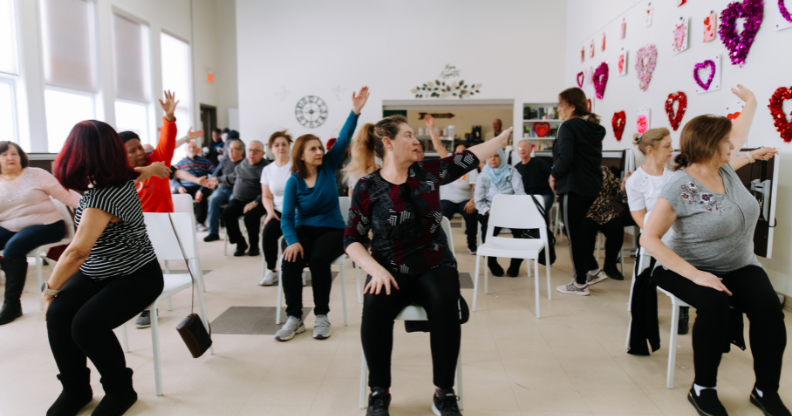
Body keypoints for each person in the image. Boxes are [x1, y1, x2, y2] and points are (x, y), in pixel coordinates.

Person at [345, 109, 513, 416]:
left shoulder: (428, 172)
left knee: (445, 301)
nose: (415, 139)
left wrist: (501, 139)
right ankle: (379, 391)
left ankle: (444, 392)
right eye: (407, 134)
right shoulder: (367, 187)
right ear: (388, 143)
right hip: (389, 267)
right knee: (374, 306)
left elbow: (470, 157)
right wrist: (375, 270)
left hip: (434, 263)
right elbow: (351, 240)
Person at [640, 85, 786, 416]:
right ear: (708, 145)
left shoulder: (723, 169)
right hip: (683, 266)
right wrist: (697, 275)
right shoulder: (678, 186)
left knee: (768, 310)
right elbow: (649, 239)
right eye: (725, 141)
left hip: (739, 264)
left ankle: (765, 390)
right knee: (716, 304)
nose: (732, 144)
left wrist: (751, 102)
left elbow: (738, 133)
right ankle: (702, 387)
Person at [44, 120, 169, 416]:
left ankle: (120, 390)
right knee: (60, 315)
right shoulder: (117, 178)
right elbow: (137, 173)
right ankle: (75, 390)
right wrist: (152, 170)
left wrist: (50, 288)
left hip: (137, 275)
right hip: (98, 272)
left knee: (86, 325)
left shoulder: (104, 195)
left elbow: (77, 252)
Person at [275, 86, 369, 342]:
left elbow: (343, 137)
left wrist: (355, 112)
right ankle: (295, 318)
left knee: (318, 259)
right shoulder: (294, 181)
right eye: (313, 149)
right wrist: (292, 240)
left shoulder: (328, 165)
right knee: (290, 258)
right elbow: (286, 217)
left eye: (319, 148)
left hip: (333, 229)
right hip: (303, 230)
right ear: (302, 155)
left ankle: (321, 315)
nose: (319, 152)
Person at [0, 142, 81, 325]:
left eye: (14, 153)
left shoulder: (36, 174)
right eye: (4, 155)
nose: (10, 157)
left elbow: (67, 196)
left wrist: (96, 209)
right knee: (13, 243)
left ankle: (12, 305)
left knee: (14, 247)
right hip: (8, 227)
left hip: (46, 225)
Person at [550, 87, 604, 296]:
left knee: (573, 233)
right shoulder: (592, 128)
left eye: (561, 105)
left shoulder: (568, 126)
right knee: (577, 232)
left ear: (571, 106)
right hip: (590, 186)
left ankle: (580, 281)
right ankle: (593, 270)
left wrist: (554, 174)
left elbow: (566, 158)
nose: (558, 109)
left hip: (572, 186)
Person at [475, 148, 527, 277]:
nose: (492, 159)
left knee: (520, 234)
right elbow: (478, 201)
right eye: (490, 156)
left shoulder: (512, 171)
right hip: (490, 210)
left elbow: (520, 193)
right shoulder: (483, 175)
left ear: (502, 158)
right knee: (487, 232)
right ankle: (491, 262)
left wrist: (513, 208)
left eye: (496, 156)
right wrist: (489, 210)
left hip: (512, 210)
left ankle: (515, 264)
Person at [220, 140, 269, 256]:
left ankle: (254, 245)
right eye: (250, 150)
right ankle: (240, 243)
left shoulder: (267, 168)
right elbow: (232, 177)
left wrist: (255, 202)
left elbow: (269, 190)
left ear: (263, 153)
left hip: (259, 201)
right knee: (226, 213)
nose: (252, 153)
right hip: (239, 200)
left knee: (250, 216)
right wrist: (216, 180)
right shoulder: (242, 164)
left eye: (256, 151)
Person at [259, 130, 293, 286]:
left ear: (289, 147)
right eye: (277, 145)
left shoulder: (297, 166)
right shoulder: (267, 170)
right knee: (268, 233)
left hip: (297, 211)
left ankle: (294, 271)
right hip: (278, 211)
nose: (281, 147)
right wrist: (270, 212)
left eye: (284, 144)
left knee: (289, 239)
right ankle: (271, 270)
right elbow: (266, 196)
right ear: (271, 148)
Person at [584, 166, 629, 282]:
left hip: (606, 212)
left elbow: (619, 192)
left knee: (617, 227)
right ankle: (589, 267)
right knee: (586, 229)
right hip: (585, 212)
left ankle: (610, 265)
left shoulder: (604, 170)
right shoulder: (575, 170)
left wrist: (625, 184)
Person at [438, 142, 478, 255]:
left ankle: (472, 245)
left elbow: (478, 190)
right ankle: (440, 245)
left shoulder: (472, 169)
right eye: (457, 152)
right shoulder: (448, 164)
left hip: (465, 200)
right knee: (442, 214)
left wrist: (472, 201)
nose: (459, 154)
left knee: (471, 214)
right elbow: (438, 146)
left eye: (462, 152)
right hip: (448, 199)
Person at [204, 139, 245, 242]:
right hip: (221, 190)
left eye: (234, 149)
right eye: (229, 148)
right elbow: (214, 176)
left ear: (241, 151)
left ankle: (234, 234)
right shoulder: (224, 161)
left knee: (232, 206)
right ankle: (213, 232)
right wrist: (202, 189)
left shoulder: (245, 163)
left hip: (236, 191)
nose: (230, 151)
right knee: (213, 200)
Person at [171, 140, 214, 230]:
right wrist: (179, 188)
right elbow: (174, 179)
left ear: (197, 149)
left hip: (201, 186)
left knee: (202, 196)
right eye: (189, 147)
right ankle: (180, 223)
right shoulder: (180, 163)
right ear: (185, 149)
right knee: (175, 197)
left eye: (194, 147)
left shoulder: (205, 161)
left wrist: (202, 189)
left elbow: (214, 173)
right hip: (185, 188)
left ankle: (201, 223)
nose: (192, 149)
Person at [513, 140, 554, 216]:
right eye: (520, 147)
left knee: (540, 209)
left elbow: (552, 175)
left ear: (531, 150)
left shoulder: (540, 162)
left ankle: (544, 228)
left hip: (543, 195)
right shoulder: (516, 169)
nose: (522, 149)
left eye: (525, 147)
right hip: (526, 198)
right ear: (517, 151)